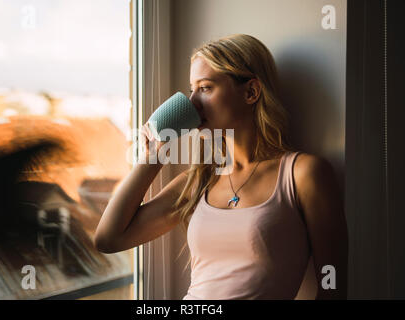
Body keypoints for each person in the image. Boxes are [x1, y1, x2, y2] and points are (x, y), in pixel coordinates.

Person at [94, 34, 348, 300]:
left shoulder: (303, 174)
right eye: (192, 89)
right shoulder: (198, 182)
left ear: (251, 92)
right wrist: (152, 158)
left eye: (205, 88)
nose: (191, 102)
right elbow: (109, 239)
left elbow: (333, 285)